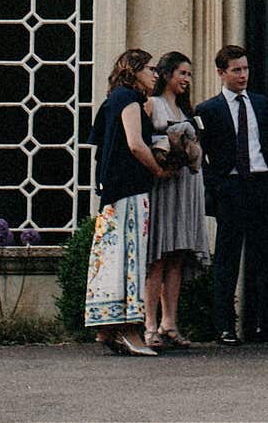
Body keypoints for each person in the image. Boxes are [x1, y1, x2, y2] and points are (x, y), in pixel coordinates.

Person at [195, 43, 268, 345]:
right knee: (228, 258)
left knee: (266, 256)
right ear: (221, 73)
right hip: (231, 186)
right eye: (236, 70)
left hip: (261, 183)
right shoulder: (209, 109)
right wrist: (216, 186)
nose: (243, 75)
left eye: (245, 69)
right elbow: (200, 154)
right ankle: (224, 325)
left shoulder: (259, 102)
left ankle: (266, 324)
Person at [86, 47, 168, 357]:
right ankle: (130, 330)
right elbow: (135, 144)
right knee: (130, 257)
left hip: (112, 191)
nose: (155, 74)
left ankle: (106, 329)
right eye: (149, 69)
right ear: (133, 71)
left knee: (110, 256)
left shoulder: (114, 100)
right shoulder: (130, 100)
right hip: (130, 189)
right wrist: (158, 169)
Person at [141, 50, 206, 352]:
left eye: (189, 75)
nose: (186, 80)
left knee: (177, 254)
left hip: (186, 186)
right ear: (167, 74)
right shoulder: (152, 105)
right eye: (182, 73)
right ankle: (149, 324)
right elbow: (144, 141)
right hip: (163, 185)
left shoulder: (184, 108)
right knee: (159, 256)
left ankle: (170, 322)